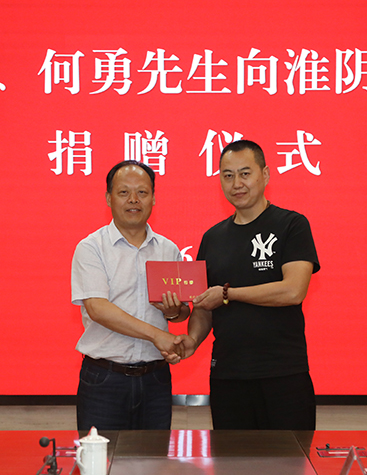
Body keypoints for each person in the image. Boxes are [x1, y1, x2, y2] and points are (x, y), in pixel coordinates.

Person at [172, 140, 320, 430]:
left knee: (289, 458)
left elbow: (293, 290)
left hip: (283, 374)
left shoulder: (291, 225)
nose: (236, 183)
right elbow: (204, 306)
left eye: (245, 173)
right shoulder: (212, 238)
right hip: (228, 377)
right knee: (232, 459)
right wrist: (192, 340)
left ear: (265, 174)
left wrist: (228, 294)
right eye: (228, 175)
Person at [71, 160, 189, 430]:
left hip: (156, 379)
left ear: (153, 198)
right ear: (108, 198)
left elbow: (182, 311)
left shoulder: (169, 250)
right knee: (102, 456)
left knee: (154, 456)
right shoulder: (91, 248)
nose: (133, 199)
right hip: (105, 379)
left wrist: (173, 311)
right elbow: (98, 308)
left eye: (142, 192)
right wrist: (157, 335)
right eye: (124, 192)